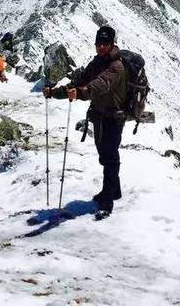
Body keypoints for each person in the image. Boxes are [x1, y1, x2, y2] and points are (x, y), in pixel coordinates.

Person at [43, 26, 126, 217]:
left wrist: (81, 92)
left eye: (105, 43)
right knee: (104, 154)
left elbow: (101, 84)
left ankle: (107, 201)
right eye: (98, 43)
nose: (101, 47)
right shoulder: (97, 63)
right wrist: (55, 93)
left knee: (109, 155)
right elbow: (80, 80)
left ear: (112, 43)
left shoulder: (116, 67)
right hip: (99, 115)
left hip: (115, 116)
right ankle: (114, 189)